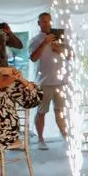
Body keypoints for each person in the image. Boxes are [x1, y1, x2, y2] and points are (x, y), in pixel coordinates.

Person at [28, 12, 68, 149]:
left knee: (60, 111)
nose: (47, 24)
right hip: (43, 82)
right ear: (39, 24)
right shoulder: (35, 40)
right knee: (41, 112)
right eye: (43, 21)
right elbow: (33, 58)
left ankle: (65, 136)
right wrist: (44, 43)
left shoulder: (60, 38)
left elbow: (71, 56)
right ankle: (40, 139)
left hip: (60, 81)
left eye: (49, 21)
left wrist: (60, 50)